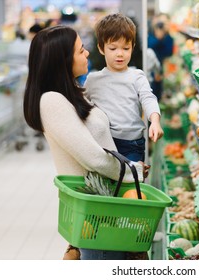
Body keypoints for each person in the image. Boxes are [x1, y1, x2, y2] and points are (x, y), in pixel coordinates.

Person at [23, 25, 146, 260]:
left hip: (106, 208)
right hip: (96, 215)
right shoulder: (51, 101)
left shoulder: (75, 91)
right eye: (81, 51)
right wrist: (134, 171)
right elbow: (93, 157)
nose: (88, 53)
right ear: (63, 60)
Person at [84, 13, 164, 163]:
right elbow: (81, 104)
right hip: (104, 143)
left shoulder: (137, 76)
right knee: (110, 184)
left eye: (126, 48)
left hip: (132, 145)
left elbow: (148, 98)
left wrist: (154, 120)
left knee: (130, 184)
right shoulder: (93, 80)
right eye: (113, 48)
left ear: (133, 47)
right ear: (101, 48)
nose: (120, 54)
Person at [148, 13, 174, 100]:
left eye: (165, 23)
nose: (161, 25)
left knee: (157, 94)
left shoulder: (168, 37)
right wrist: (158, 38)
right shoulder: (150, 32)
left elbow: (169, 52)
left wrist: (165, 35)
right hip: (149, 69)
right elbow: (149, 46)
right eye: (161, 22)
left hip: (161, 69)